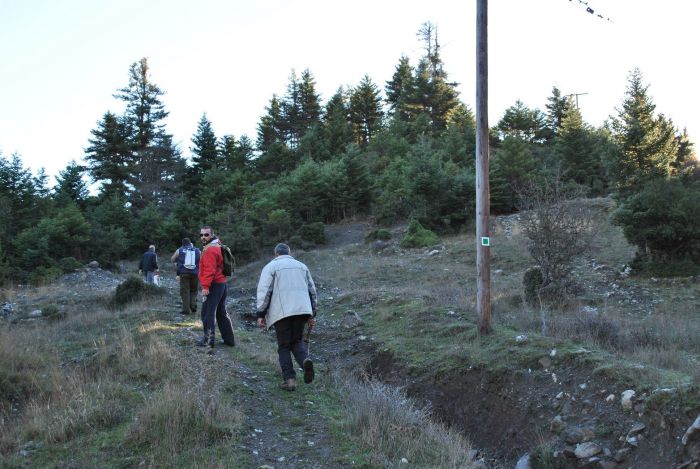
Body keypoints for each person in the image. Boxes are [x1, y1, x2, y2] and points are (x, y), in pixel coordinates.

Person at [256, 243, 317, 391]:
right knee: (296, 342)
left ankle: (289, 380)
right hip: (302, 310)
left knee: (283, 346)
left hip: (281, 312)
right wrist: (313, 313)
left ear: (276, 254)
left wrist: (260, 314)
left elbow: (265, 292)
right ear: (289, 253)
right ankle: (305, 361)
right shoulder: (302, 266)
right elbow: (312, 291)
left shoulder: (271, 267)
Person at [197, 225, 235, 348]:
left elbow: (209, 270)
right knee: (221, 312)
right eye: (201, 235)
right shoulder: (217, 245)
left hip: (213, 285)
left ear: (212, 235)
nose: (203, 237)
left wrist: (205, 287)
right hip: (222, 284)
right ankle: (229, 340)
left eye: (206, 234)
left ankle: (208, 341)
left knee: (207, 313)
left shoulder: (210, 250)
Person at [171, 237, 201, 315]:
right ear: (190, 243)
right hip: (195, 273)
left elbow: (172, 259)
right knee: (194, 291)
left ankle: (186, 310)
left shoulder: (180, 250)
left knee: (185, 291)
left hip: (184, 274)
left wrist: (177, 261)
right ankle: (193, 306)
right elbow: (203, 260)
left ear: (182, 243)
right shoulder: (198, 250)